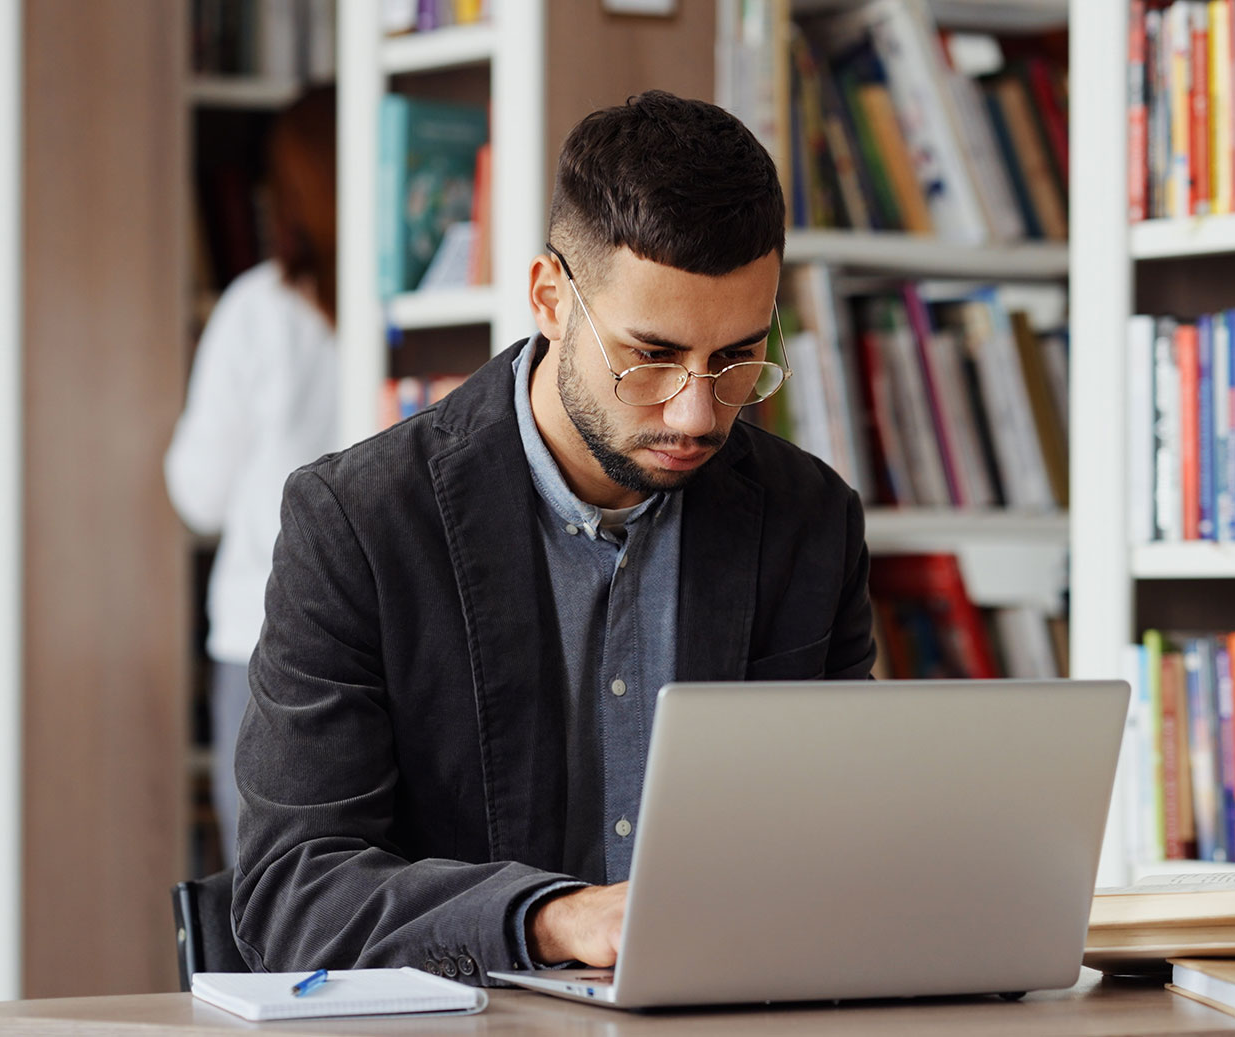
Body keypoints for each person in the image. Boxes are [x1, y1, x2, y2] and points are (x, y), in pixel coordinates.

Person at [231, 91, 875, 982]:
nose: (696, 412)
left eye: (735, 359)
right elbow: (292, 895)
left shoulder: (811, 520)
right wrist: (554, 918)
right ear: (548, 298)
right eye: (650, 357)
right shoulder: (360, 521)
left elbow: (837, 838)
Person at [165, 88, 338, 868]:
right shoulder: (416, 299)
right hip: (382, 636)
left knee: (265, 890)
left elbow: (197, 493)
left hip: (260, 634)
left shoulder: (257, 311)